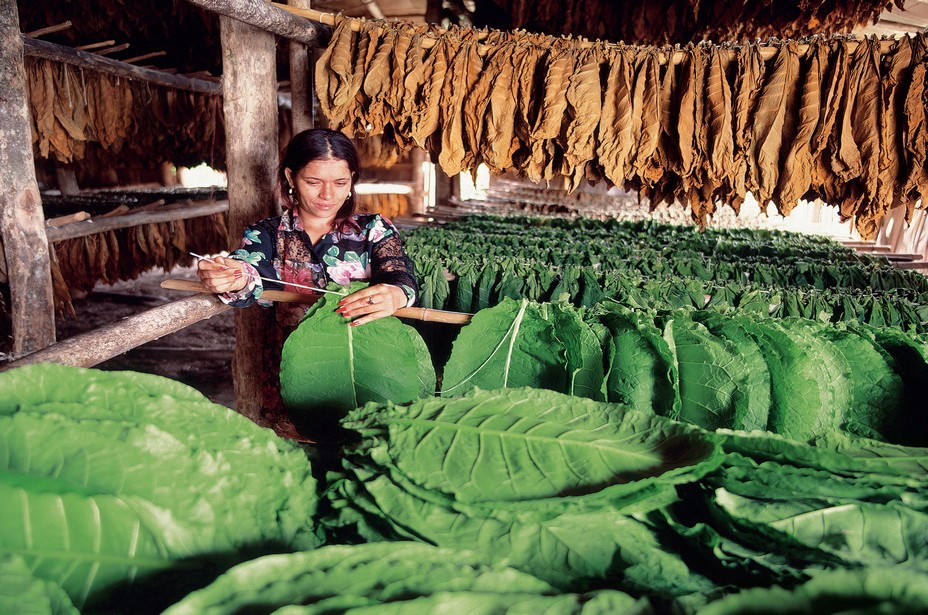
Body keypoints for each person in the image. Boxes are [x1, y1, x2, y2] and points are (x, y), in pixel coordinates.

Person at [197, 128, 419, 437]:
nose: (328, 196)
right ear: (291, 177)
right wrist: (227, 275)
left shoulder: (374, 230)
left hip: (368, 364)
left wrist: (395, 293)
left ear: (352, 178)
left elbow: (399, 272)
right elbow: (247, 272)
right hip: (295, 371)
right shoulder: (267, 234)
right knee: (303, 453)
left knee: (369, 445)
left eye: (340, 183)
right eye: (313, 182)